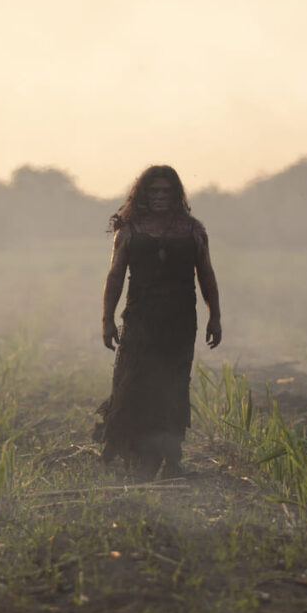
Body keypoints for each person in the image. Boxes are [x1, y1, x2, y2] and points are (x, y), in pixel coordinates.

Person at [94, 165, 222, 478]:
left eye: (166, 191)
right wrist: (107, 319)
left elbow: (205, 275)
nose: (160, 196)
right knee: (136, 383)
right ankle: (139, 455)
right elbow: (115, 277)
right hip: (140, 320)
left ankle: (170, 455)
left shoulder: (193, 231)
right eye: (154, 191)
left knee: (174, 386)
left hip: (180, 322)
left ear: (176, 194)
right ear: (143, 195)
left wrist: (214, 316)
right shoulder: (130, 232)